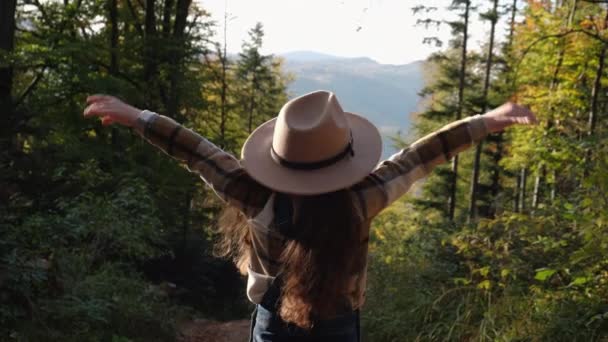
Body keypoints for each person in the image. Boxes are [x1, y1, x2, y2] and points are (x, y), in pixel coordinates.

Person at [83, 90, 537, 341]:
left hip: (271, 322)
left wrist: (137, 117)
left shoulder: (254, 195)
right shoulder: (363, 199)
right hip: (339, 322)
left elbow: (197, 152)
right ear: (345, 159)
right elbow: (420, 157)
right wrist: (486, 121)